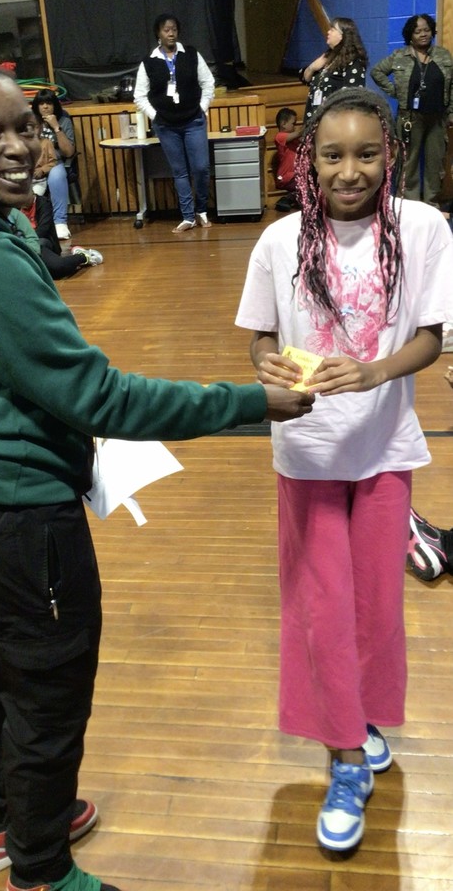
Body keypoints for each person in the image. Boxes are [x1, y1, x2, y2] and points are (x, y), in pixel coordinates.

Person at [0, 60, 314, 891]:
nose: (17, 148)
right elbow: (96, 395)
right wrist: (251, 404)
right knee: (48, 690)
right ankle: (40, 869)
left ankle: (5, 820)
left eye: (23, 128)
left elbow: (38, 380)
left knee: (1, 668)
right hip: (11, 519)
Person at [235, 86, 453, 853]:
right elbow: (258, 340)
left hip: (385, 448)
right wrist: (280, 370)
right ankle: (345, 761)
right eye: (332, 155)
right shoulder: (278, 241)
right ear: (308, 161)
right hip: (306, 453)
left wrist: (372, 373)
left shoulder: (423, 228)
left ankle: (357, 716)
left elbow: (430, 335)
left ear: (388, 156)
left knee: (373, 609)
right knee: (321, 607)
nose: (349, 170)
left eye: (366, 154)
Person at [134, 13, 215, 233]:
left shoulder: (190, 54)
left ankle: (201, 211)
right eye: (166, 30)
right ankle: (187, 216)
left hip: (194, 121)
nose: (171, 33)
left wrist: (202, 107)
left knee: (200, 168)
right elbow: (139, 96)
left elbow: (208, 83)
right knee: (179, 171)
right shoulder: (149, 62)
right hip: (166, 125)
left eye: (174, 29)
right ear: (158, 34)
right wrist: (156, 116)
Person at [371, 14, 453, 206]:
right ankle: (410, 205)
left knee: (435, 163)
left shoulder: (443, 55)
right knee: (409, 162)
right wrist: (396, 92)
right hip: (410, 119)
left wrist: (451, 113)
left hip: (438, 119)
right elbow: (377, 71)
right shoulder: (400, 55)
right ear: (410, 35)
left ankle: (432, 204)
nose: (423, 34)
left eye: (426, 30)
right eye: (418, 31)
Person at [16, 192, 103, 280]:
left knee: (58, 268)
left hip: (40, 242)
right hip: (18, 247)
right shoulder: (12, 207)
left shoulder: (43, 203)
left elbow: (43, 229)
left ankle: (83, 256)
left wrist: (28, 244)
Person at [300, 17, 368, 125]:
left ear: (342, 36)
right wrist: (312, 67)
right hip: (315, 120)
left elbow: (352, 97)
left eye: (332, 29)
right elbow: (306, 79)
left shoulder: (354, 62)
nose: (328, 32)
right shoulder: (327, 57)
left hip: (334, 123)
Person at [30, 89, 76, 240]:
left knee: (57, 176)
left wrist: (56, 127)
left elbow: (68, 152)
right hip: (33, 163)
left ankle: (60, 222)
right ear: (36, 106)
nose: (45, 107)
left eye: (48, 103)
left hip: (54, 162)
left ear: (54, 105)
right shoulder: (31, 122)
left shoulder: (64, 120)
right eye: (41, 103)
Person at [273, 107, 302, 210]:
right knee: (305, 186)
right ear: (283, 124)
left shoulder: (293, 139)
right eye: (293, 124)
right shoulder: (280, 137)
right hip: (286, 176)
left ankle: (290, 199)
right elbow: (298, 133)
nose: (294, 127)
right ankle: (288, 199)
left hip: (295, 175)